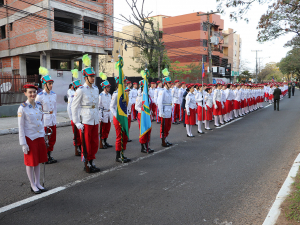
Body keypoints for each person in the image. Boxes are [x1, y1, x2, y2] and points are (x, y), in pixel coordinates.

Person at [71, 55, 100, 173]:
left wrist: (99, 115)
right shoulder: (80, 90)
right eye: (91, 76)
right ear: (85, 77)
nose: (93, 78)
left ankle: (92, 162)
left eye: (93, 76)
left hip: (94, 118)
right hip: (86, 119)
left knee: (94, 142)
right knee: (86, 143)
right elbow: (74, 106)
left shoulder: (96, 89)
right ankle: (86, 163)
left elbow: (97, 104)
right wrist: (77, 122)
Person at [18, 84, 48, 194]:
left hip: (39, 137)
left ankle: (38, 182)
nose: (32, 94)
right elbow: (20, 127)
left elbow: (41, 121)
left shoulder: (39, 105)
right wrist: (23, 144)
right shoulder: (22, 108)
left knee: (38, 161)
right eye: (30, 92)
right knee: (30, 163)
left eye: (34, 92)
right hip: (29, 138)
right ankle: (32, 184)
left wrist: (44, 134)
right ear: (25, 93)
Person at [36, 67, 58, 164]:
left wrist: (55, 117)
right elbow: (37, 110)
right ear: (45, 85)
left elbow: (55, 108)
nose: (51, 85)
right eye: (49, 84)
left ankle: (49, 155)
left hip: (52, 119)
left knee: (52, 139)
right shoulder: (40, 96)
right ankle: (44, 157)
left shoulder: (54, 95)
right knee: (45, 139)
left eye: (52, 83)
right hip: (44, 120)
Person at [110, 76, 131, 163]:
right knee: (119, 137)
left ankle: (122, 154)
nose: (126, 84)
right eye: (124, 82)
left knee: (125, 136)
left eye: (126, 82)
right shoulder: (116, 94)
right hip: (118, 118)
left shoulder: (124, 93)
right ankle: (118, 156)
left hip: (125, 117)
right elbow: (111, 107)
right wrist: (118, 116)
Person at [135, 80, 154, 153]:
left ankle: (147, 146)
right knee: (143, 131)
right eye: (147, 87)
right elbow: (136, 107)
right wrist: (143, 111)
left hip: (148, 115)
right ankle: (143, 147)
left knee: (148, 130)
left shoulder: (148, 96)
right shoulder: (140, 96)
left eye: (148, 87)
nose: (148, 88)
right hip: (142, 115)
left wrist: (150, 112)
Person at [67, 73, 82, 157]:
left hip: (81, 117)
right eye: (79, 87)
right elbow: (69, 109)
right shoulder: (72, 97)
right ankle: (77, 148)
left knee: (81, 135)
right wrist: (72, 119)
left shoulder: (81, 96)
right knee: (76, 135)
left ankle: (81, 147)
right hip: (74, 118)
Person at [157, 76, 173, 147]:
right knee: (163, 127)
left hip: (169, 111)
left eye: (170, 83)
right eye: (169, 83)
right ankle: (163, 140)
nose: (170, 84)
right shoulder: (162, 91)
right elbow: (159, 102)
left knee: (168, 126)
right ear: (165, 83)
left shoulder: (169, 91)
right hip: (164, 111)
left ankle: (166, 139)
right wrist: (161, 112)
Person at [98, 78, 113, 149]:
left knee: (107, 129)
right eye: (107, 87)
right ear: (104, 88)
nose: (109, 88)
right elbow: (99, 107)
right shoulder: (101, 95)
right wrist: (100, 116)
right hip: (103, 113)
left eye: (109, 87)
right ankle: (102, 142)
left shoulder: (110, 95)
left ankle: (105, 141)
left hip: (109, 113)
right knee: (103, 129)